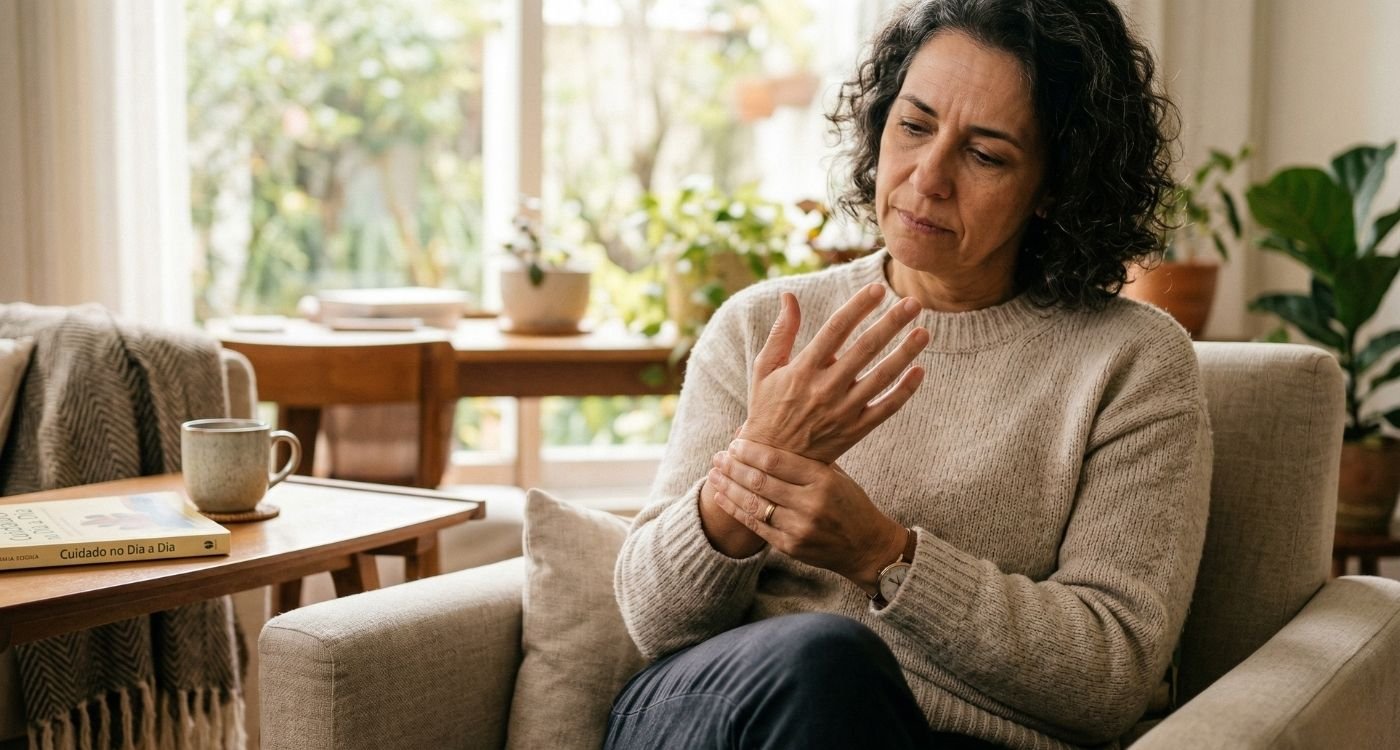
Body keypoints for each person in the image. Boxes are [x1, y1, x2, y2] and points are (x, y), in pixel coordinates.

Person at [608, 0, 1211, 747]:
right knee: (822, 659)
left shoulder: (1132, 364)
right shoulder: (763, 325)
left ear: (1055, 187)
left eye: (985, 155)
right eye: (914, 125)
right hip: (718, 713)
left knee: (837, 666)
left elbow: (1108, 676)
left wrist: (882, 556)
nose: (927, 178)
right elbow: (652, 620)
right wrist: (752, 469)